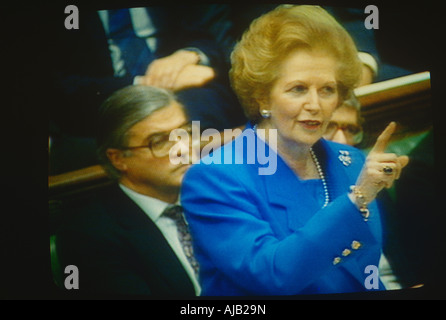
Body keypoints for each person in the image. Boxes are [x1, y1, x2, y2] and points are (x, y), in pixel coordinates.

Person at [180, 5, 409, 296]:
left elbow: (366, 276)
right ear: (262, 95)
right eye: (298, 89)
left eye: (327, 89)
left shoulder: (352, 162)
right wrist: (357, 198)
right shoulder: (214, 178)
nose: (315, 104)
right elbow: (274, 276)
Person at [49, 5, 246, 174]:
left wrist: (188, 55)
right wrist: (146, 82)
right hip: (105, 96)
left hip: (188, 83)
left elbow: (211, 33)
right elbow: (62, 85)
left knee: (198, 117)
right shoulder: (68, 15)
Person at [55, 85, 200, 297]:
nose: (182, 149)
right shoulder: (88, 236)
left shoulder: (216, 194)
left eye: (184, 132)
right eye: (159, 142)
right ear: (119, 158)